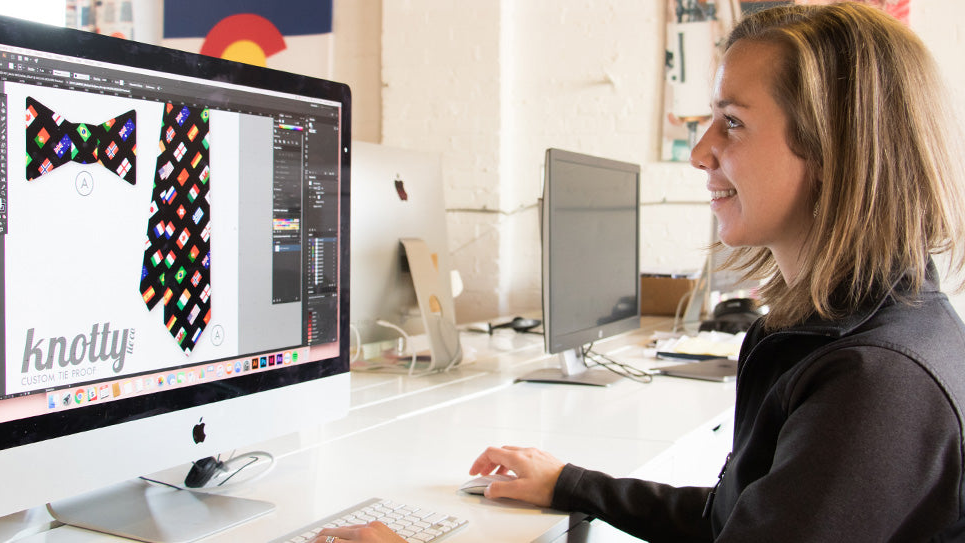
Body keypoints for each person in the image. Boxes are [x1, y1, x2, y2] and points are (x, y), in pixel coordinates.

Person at [315, 2, 965, 541]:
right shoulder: (841, 330)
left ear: (834, 149)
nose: (701, 150)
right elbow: (733, 521)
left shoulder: (878, 382)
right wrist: (572, 483)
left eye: (732, 123)